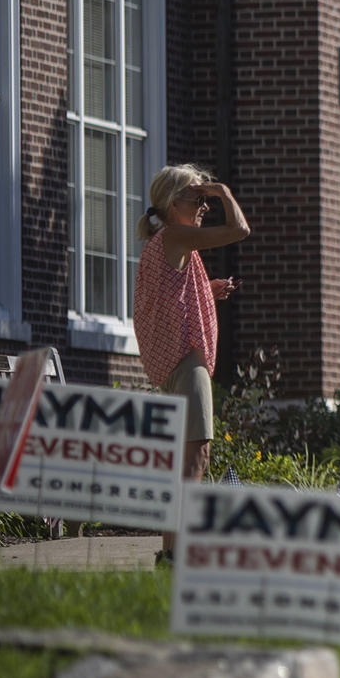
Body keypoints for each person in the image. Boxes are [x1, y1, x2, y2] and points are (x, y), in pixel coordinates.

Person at [134, 165, 249, 559]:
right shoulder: (176, 235)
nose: (203, 206)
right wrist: (222, 190)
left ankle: (169, 554)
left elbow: (167, 297)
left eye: (205, 199)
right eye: (197, 199)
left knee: (183, 459)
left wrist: (207, 290)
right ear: (172, 203)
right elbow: (239, 231)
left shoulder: (164, 242)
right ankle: (178, 553)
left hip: (173, 363)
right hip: (187, 364)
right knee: (197, 454)